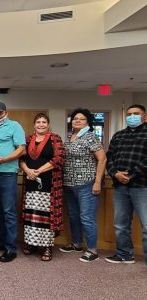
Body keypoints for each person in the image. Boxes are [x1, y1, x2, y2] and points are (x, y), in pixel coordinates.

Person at [60, 108, 107, 263]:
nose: (77, 121)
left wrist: (98, 181)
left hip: (87, 184)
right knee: (73, 216)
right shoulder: (70, 137)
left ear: (88, 122)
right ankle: (76, 244)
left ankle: (92, 250)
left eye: (82, 119)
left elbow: (102, 159)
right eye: (75, 119)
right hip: (69, 184)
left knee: (87, 217)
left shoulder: (90, 137)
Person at [0, 102, 26, 263]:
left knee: (8, 212)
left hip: (8, 174)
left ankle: (11, 248)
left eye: (0, 112)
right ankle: (2, 242)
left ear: (6, 113)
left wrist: (5, 160)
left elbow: (21, 148)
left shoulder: (15, 126)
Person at [19, 113, 65, 261]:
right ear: (34, 125)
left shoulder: (55, 139)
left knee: (46, 216)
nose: (41, 124)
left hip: (49, 183)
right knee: (31, 214)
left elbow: (59, 158)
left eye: (44, 122)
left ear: (48, 124)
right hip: (30, 183)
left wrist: (38, 171)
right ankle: (31, 244)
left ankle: (46, 247)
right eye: (38, 122)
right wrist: (27, 171)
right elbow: (21, 158)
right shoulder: (27, 139)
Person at [105, 104, 147, 265]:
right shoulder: (118, 135)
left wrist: (131, 174)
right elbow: (110, 158)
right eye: (129, 114)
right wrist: (115, 173)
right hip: (120, 187)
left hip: (142, 186)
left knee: (146, 226)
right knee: (121, 224)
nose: (131, 116)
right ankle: (124, 254)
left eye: (136, 114)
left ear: (144, 116)